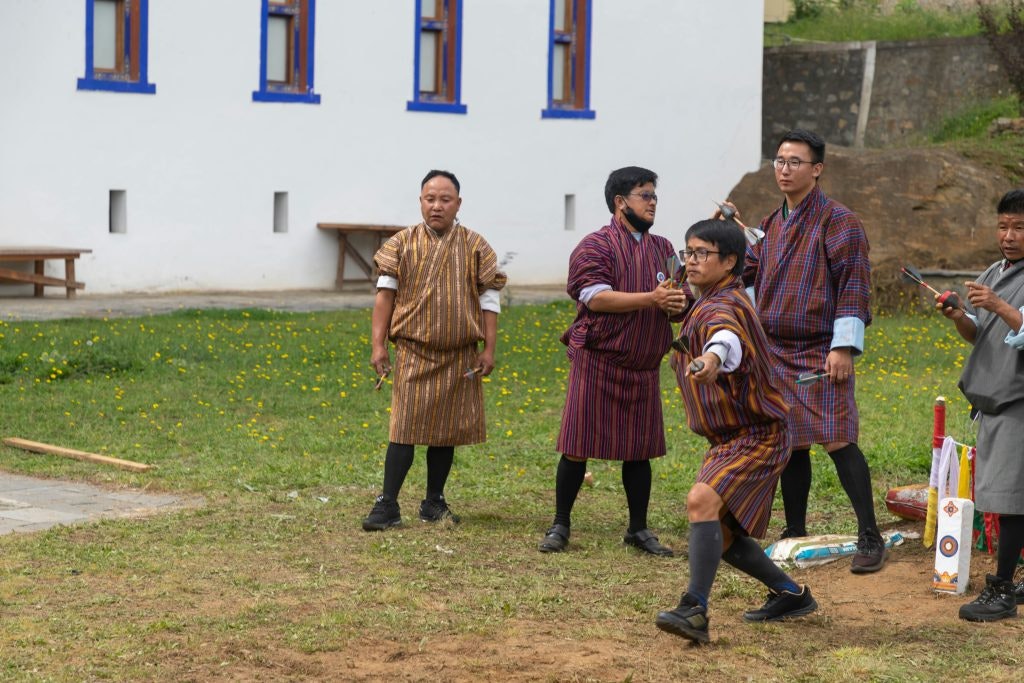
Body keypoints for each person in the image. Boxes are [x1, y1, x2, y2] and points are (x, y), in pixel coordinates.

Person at [655, 219, 817, 644]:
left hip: (758, 433)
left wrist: (710, 360)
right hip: (730, 437)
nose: (690, 262)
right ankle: (790, 593)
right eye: (688, 252)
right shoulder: (709, 299)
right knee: (721, 536)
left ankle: (694, 609)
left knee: (701, 500)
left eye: (701, 254)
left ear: (729, 262)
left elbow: (724, 339)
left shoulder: (723, 306)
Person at [731, 128, 885, 573]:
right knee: (790, 442)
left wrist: (843, 348)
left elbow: (855, 285)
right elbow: (749, 274)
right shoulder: (771, 223)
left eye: (795, 162)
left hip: (822, 350)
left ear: (816, 170)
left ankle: (869, 536)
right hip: (775, 349)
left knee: (838, 438)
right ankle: (794, 529)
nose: (784, 169)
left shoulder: (840, 222)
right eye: (779, 160)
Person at [537, 166, 688, 556]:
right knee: (576, 446)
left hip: (642, 367)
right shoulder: (595, 246)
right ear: (621, 202)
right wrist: (651, 298)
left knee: (639, 451)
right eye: (645, 195)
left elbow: (677, 296)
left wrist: (676, 303)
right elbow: (595, 296)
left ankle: (638, 529)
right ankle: (560, 524)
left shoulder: (664, 248)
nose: (653, 202)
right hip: (598, 361)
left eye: (655, 195)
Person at [361, 170, 507, 531]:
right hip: (414, 351)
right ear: (420, 202)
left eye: (445, 199)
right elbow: (385, 297)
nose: (437, 206)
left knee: (447, 430)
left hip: (459, 354)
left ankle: (433, 501)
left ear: (458, 204)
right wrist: (378, 344)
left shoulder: (476, 246)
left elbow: (489, 298)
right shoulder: (400, 244)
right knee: (404, 428)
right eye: (430, 199)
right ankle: (388, 503)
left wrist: (489, 348)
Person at [938, 188, 1024, 621]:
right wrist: (960, 317)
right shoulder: (995, 270)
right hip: (992, 398)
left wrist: (998, 304)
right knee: (1008, 491)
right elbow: (982, 335)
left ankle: (1002, 590)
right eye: (1003, 226)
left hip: (1017, 400)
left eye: (1019, 227)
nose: (1008, 235)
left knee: (1011, 498)